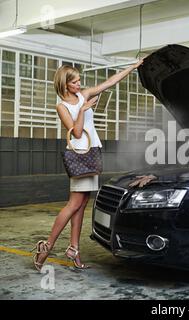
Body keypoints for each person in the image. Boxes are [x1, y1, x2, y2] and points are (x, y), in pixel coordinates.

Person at [32, 59, 144, 271]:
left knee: (82, 204)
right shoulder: (62, 106)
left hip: (91, 153)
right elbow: (75, 132)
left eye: (79, 81)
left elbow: (109, 83)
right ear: (66, 85)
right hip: (80, 156)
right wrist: (83, 110)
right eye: (75, 82)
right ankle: (46, 246)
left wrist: (133, 67)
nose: (79, 84)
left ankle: (74, 248)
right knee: (74, 204)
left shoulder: (83, 94)